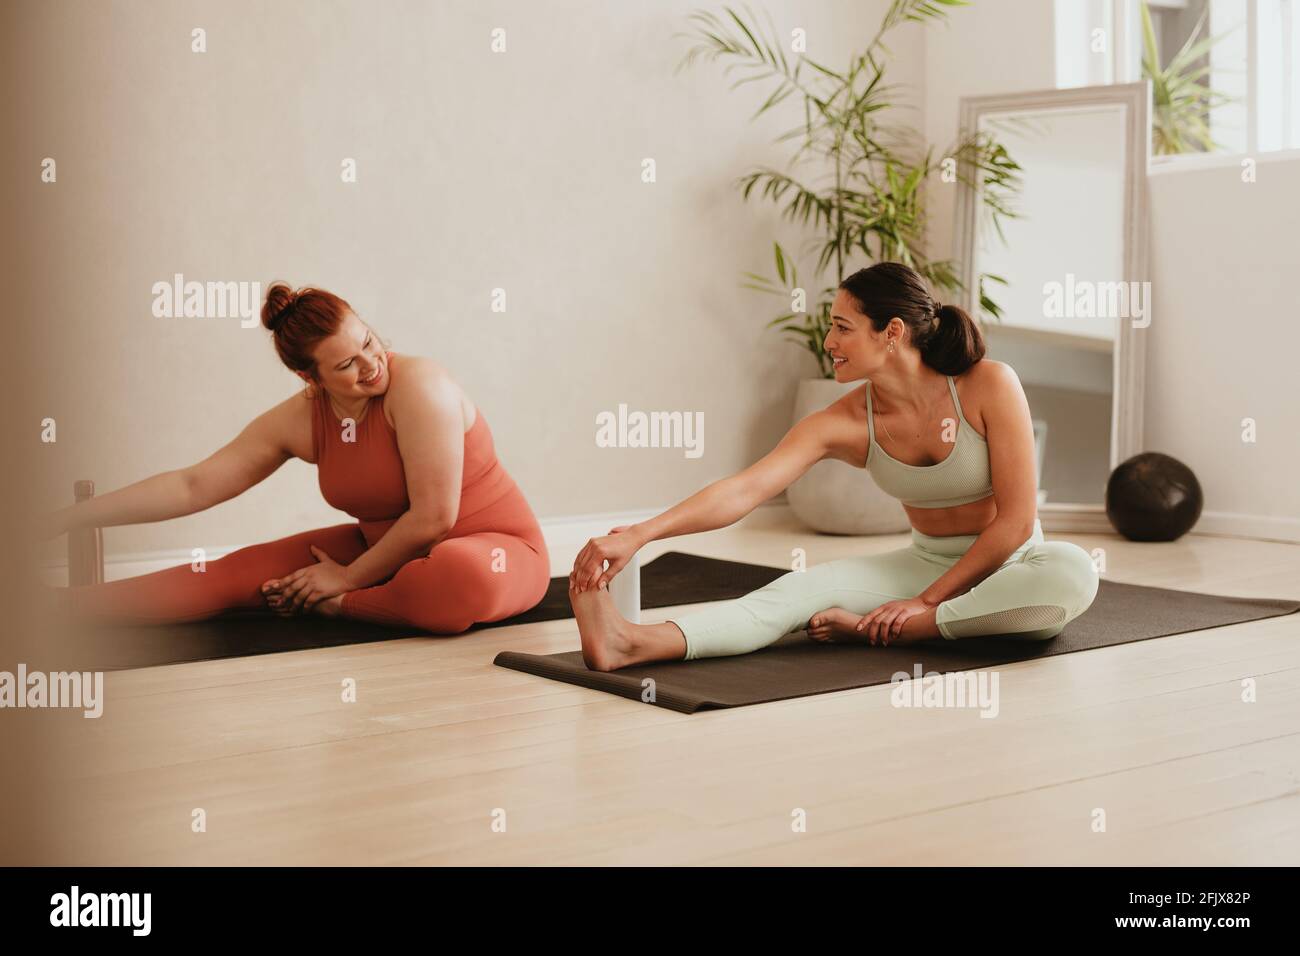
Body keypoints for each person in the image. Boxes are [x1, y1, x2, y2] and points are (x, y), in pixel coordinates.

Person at [568, 261, 1099, 671]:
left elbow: (1015, 522)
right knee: (795, 591)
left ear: (891, 333)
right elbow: (744, 490)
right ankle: (631, 642)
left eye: (843, 328)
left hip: (1013, 566)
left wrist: (922, 604)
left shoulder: (989, 384)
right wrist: (642, 534)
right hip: (924, 564)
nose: (828, 343)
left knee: (1073, 572)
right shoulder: (843, 421)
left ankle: (893, 629)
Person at [47, 283, 550, 633]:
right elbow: (193, 485)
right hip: (384, 556)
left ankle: (338, 607)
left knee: (457, 575)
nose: (373, 364)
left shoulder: (420, 385)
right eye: (347, 364)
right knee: (230, 574)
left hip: (495, 554)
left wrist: (347, 581)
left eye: (369, 341)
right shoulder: (302, 418)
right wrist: (71, 518)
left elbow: (434, 519)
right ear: (311, 379)